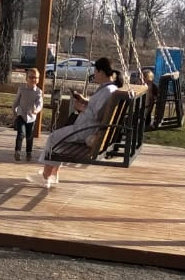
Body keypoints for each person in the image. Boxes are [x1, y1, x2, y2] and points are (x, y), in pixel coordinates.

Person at [34, 57, 122, 187]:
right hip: (91, 127)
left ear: (101, 72)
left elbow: (96, 115)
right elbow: (99, 109)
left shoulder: (107, 91)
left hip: (87, 129)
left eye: (95, 71)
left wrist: (81, 108)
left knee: (53, 137)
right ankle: (54, 174)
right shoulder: (111, 89)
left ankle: (46, 175)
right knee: (60, 138)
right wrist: (85, 101)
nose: (94, 74)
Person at [12, 67, 44, 162]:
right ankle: (17, 151)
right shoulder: (22, 89)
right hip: (21, 114)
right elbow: (16, 101)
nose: (33, 79)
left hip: (31, 117)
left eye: (36, 77)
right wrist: (14, 110)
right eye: (31, 77)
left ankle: (29, 152)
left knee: (29, 135)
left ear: (38, 79)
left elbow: (40, 103)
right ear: (26, 79)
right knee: (21, 133)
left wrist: (36, 110)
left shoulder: (38, 91)